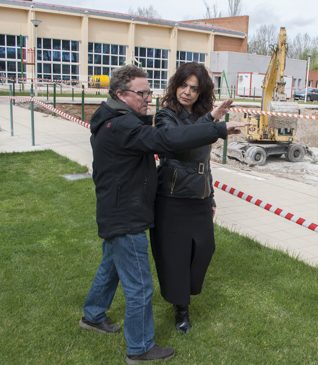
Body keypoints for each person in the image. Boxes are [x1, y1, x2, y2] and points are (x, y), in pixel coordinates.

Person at [81, 64, 244, 364]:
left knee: (111, 267)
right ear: (121, 93)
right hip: (125, 215)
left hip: (118, 210)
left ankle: (92, 315)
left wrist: (209, 119)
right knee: (140, 285)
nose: (147, 98)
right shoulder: (123, 126)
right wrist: (217, 127)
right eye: (141, 93)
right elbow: (167, 141)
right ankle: (140, 348)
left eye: (149, 91)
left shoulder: (114, 118)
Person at [150, 62, 231, 334]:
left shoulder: (202, 115)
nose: (187, 92)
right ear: (175, 86)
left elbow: (205, 160)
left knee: (205, 249)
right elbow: (177, 139)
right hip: (172, 198)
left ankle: (185, 294)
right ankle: (181, 308)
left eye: (194, 89)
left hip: (199, 195)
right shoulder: (165, 115)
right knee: (176, 256)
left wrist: (211, 196)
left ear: (201, 92)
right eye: (183, 85)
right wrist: (212, 122)